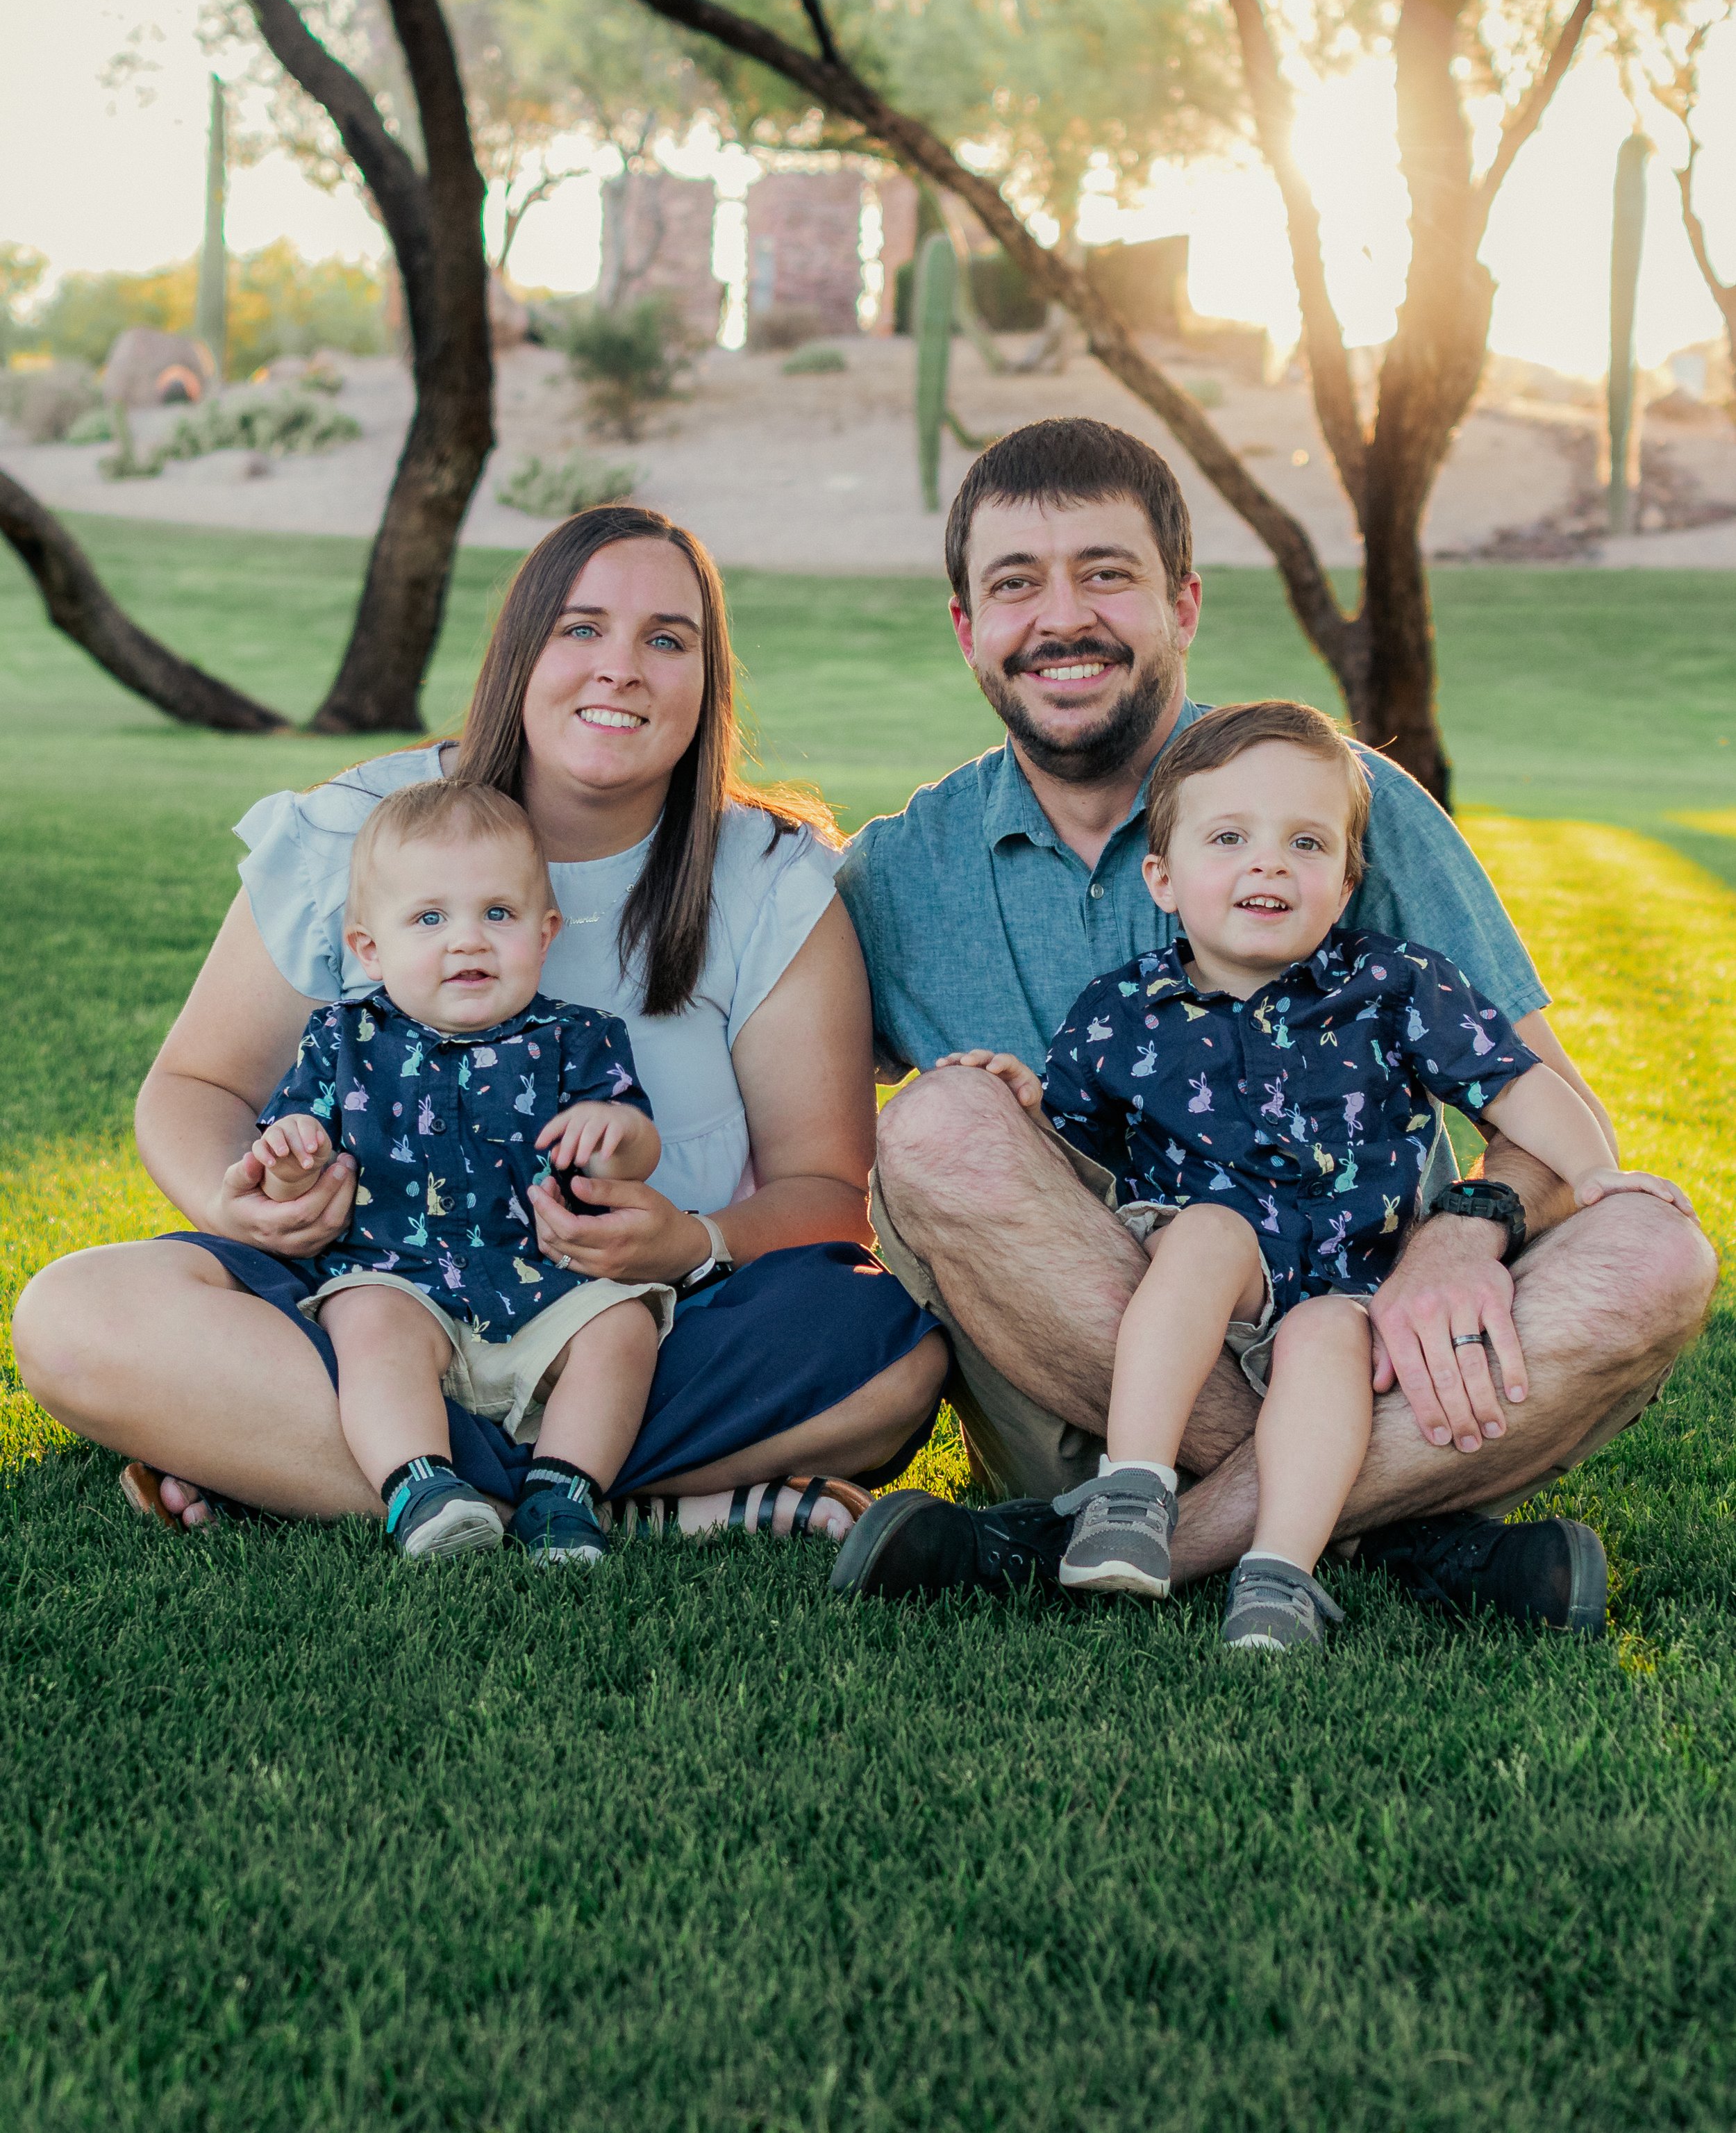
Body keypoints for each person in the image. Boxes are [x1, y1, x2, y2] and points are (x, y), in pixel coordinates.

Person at [831, 417, 1719, 1626]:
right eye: (1015, 583)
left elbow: (1542, 1109)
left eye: (1106, 573)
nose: (1062, 616)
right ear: (967, 627)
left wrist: (1468, 1232)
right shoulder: (896, 872)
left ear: (1183, 602)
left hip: (1362, 1310)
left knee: (1659, 1257)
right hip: (1099, 1370)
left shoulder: (1338, 797)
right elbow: (775, 1094)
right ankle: (1407, 1529)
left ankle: (1092, 1551)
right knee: (936, 1124)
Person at [14, 506, 948, 1542]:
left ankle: (326, 1462)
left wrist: (690, 1239)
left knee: (892, 1354)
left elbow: (825, 1197)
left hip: (632, 1326)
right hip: (369, 1304)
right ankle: (599, 1499)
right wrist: (248, 1215)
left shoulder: (770, 881)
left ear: (707, 679)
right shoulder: (363, 831)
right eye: (580, 628)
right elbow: (194, 1089)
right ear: (518, 651)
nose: (621, 668)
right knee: (74, 1317)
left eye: (666, 639)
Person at [940, 700, 1696, 1648]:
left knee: (1330, 1334)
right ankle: (1132, 1492)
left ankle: (1279, 1576)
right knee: (1211, 1230)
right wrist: (1021, 1103)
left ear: (1343, 886)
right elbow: (1070, 1158)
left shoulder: (1396, 986)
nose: (1268, 862)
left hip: (1352, 1294)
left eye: (1305, 843)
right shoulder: (1121, 1014)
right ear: (1164, 879)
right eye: (1230, 837)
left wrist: (1597, 1177)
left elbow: (1520, 1091)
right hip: (1204, 1295)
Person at [253, 779, 674, 1563]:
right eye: (430, 918)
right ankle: (421, 1487)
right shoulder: (338, 1039)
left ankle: (564, 1492)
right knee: (366, 1321)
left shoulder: (576, 1037)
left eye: (498, 914)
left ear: (545, 932)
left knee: (625, 1323)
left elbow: (635, 1147)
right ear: (369, 947)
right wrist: (290, 1159)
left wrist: (615, 1133)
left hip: (548, 1285)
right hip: (398, 1279)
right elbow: (287, 1164)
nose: (469, 940)